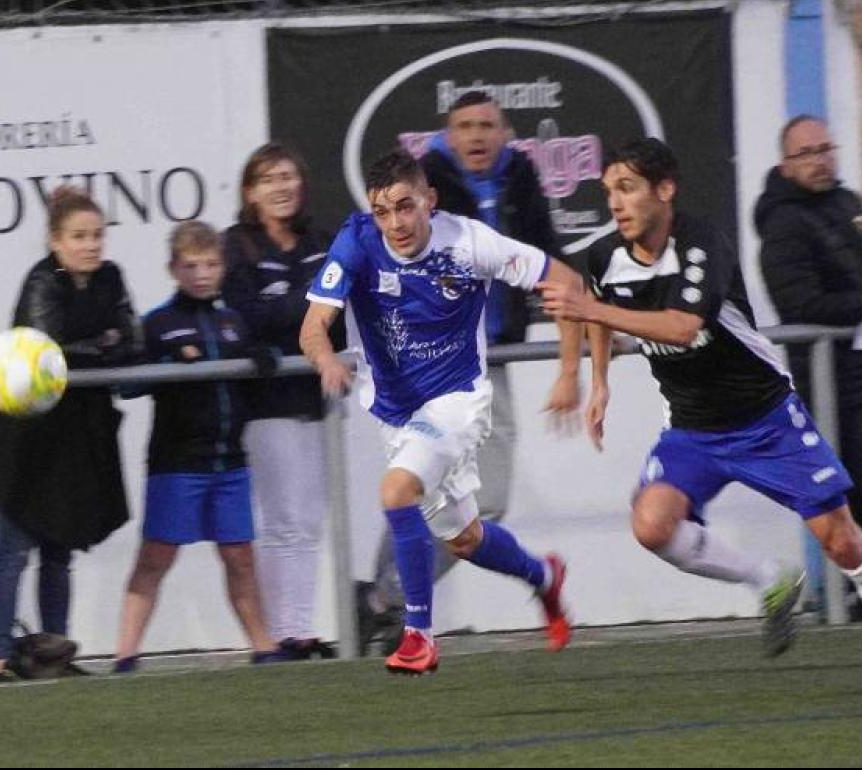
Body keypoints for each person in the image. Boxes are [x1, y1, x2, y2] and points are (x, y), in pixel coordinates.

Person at [538, 138, 862, 692]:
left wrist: (587, 308)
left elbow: (684, 327)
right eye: (609, 190)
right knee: (651, 526)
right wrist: (599, 384)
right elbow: (601, 317)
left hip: (766, 419)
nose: (615, 202)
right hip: (690, 427)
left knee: (842, 542)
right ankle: (768, 581)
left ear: (665, 190)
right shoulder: (605, 256)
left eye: (628, 188)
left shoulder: (704, 241)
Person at [300, 150, 608, 675]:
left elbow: (568, 284)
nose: (395, 223)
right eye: (383, 211)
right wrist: (326, 358)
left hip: (457, 401)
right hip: (396, 413)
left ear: (430, 201)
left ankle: (418, 633)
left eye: (405, 207)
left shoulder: (469, 243)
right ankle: (543, 577)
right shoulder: (356, 241)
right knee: (462, 539)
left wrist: (570, 373)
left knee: (395, 490)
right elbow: (313, 324)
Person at [358, 92, 561, 651]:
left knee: (424, 492)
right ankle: (387, 602)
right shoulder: (423, 186)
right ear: (446, 137)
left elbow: (545, 256)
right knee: (443, 494)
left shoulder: (521, 178)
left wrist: (585, 329)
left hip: (487, 363)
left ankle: (380, 601)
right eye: (463, 126)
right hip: (427, 367)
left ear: (506, 132)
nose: (474, 136)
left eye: (486, 126)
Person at [0, 185, 140, 682]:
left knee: (59, 549)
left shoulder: (110, 278)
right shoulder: (41, 282)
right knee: (13, 550)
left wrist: (101, 347)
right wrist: (101, 345)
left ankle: (54, 652)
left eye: (97, 236)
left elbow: (132, 339)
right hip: (24, 440)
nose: (91, 246)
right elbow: (49, 354)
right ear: (54, 241)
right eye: (79, 237)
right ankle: (0, 654)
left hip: (74, 437)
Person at [754, 115, 862, 621]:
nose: (821, 159)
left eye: (827, 148)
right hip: (831, 376)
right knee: (857, 489)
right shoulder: (782, 224)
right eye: (808, 152)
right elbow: (799, 303)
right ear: (786, 164)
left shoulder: (849, 205)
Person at [113, 220, 291, 672]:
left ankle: (264, 646)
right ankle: (125, 655)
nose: (201, 274)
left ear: (222, 266)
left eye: (210, 264)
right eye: (190, 266)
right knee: (156, 556)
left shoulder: (234, 322)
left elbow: (252, 382)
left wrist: (264, 359)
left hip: (231, 462)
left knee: (239, 557)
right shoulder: (157, 325)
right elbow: (126, 385)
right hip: (176, 464)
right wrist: (159, 363)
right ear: (173, 269)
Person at [222, 143, 343, 660]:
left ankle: (301, 627)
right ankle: (279, 635)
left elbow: (335, 306)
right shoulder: (236, 245)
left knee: (310, 520)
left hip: (315, 396)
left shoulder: (319, 240)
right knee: (281, 521)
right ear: (251, 190)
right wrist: (305, 313)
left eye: (289, 177)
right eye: (269, 178)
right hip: (266, 403)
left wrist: (300, 316)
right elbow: (247, 316)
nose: (281, 187)